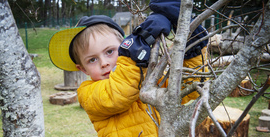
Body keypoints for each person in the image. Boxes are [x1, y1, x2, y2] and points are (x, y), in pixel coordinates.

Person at [48, 0, 208, 136]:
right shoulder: (87, 93)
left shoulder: (149, 78)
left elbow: (188, 90)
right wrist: (140, 42)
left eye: (110, 51)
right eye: (92, 60)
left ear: (122, 46)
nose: (103, 63)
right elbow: (119, 92)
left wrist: (192, 45)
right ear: (83, 69)